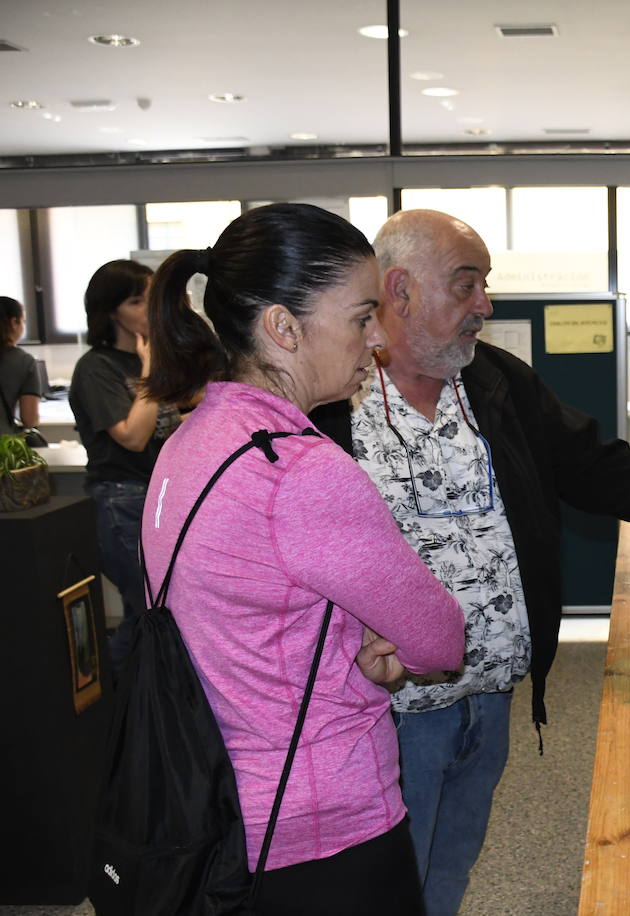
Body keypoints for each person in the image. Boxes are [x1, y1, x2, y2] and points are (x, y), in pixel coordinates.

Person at [312, 208, 630, 916]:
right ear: (399, 290)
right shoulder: (332, 406)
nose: (485, 304)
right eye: (467, 284)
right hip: (383, 712)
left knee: (449, 870)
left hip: (489, 696)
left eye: (486, 284)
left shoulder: (496, 383)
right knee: (384, 889)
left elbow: (597, 466)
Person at [140, 202, 465, 915]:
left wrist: (349, 643)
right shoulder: (301, 472)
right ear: (283, 328)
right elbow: (440, 638)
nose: (377, 339)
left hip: (221, 807)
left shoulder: (186, 446)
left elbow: (243, 625)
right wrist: (377, 651)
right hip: (324, 823)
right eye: (359, 317)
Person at [68, 259, 182, 667]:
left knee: (151, 612)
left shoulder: (145, 358)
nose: (148, 310)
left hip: (155, 499)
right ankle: (116, 701)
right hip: (121, 500)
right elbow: (132, 436)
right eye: (137, 301)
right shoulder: (96, 368)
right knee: (149, 612)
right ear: (111, 310)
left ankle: (126, 705)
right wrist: (151, 369)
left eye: (150, 299)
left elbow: (172, 423)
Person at [0, 296, 40, 435]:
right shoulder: (24, 361)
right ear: (13, 323)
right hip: (3, 447)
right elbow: (29, 420)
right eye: (23, 321)